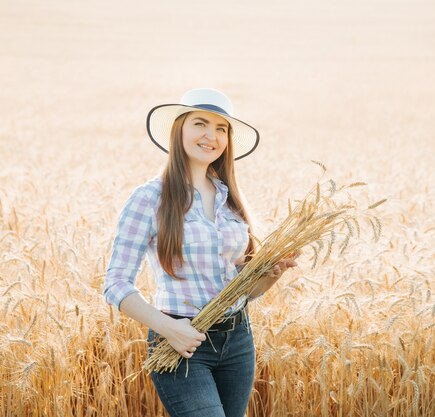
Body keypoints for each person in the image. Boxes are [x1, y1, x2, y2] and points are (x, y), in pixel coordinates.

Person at [104, 88, 299, 417]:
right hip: (180, 342)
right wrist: (169, 328)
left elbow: (242, 290)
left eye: (221, 128)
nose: (211, 136)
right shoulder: (150, 198)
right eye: (200, 124)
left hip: (237, 340)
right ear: (178, 129)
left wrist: (269, 276)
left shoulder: (230, 199)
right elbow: (116, 283)